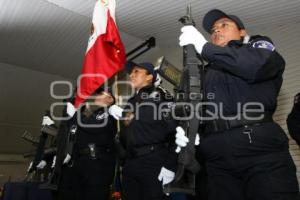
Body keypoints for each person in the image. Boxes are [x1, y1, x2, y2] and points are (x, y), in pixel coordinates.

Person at [175, 9, 300, 200]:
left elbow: (257, 66)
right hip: (216, 159)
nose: (216, 31)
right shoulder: (205, 71)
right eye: (213, 30)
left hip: (260, 150)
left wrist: (205, 47)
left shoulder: (256, 48)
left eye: (224, 25)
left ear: (242, 32)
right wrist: (190, 131)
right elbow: (195, 107)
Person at [109, 62, 177, 200]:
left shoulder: (161, 95)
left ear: (149, 77)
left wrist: (171, 165)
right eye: (131, 73)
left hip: (153, 162)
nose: (131, 75)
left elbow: (175, 131)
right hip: (131, 163)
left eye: (137, 71)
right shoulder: (131, 101)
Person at [57, 88, 117, 200]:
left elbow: (93, 127)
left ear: (110, 99)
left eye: (101, 94)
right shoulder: (87, 114)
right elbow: (71, 134)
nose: (97, 96)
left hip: (97, 167)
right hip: (80, 164)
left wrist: (75, 115)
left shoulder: (108, 113)